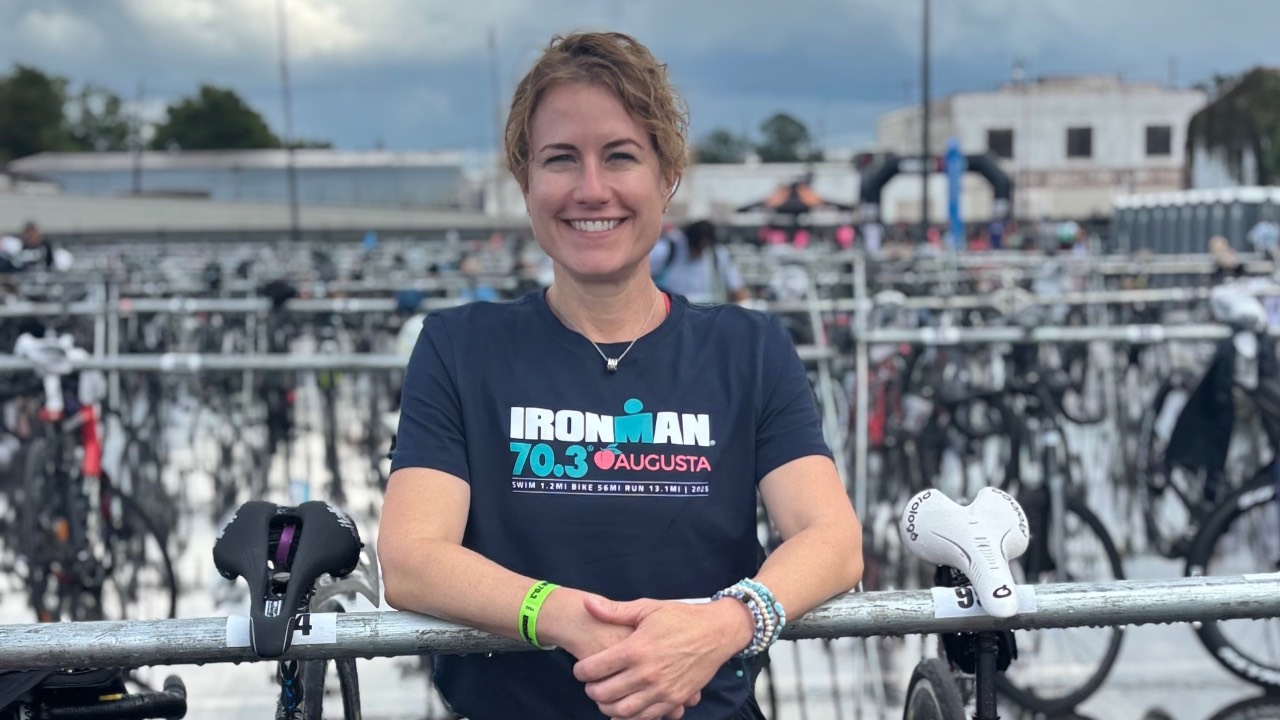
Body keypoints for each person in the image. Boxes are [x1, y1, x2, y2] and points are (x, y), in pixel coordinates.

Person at [377, 31, 862, 720]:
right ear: (525, 181)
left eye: (621, 156)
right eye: (560, 160)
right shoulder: (460, 346)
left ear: (668, 176)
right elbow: (412, 557)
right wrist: (562, 614)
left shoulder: (748, 348)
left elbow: (833, 540)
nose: (591, 189)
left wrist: (724, 624)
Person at [650, 219, 748, 304]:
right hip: (672, 309)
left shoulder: (717, 255)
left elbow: (737, 288)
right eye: (697, 248)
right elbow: (642, 276)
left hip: (705, 311)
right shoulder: (667, 250)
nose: (700, 252)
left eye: (704, 248)